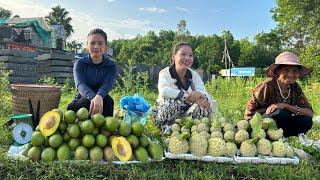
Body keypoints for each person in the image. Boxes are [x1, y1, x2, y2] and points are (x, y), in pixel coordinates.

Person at [245, 52, 313, 137]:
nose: (291, 74)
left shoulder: (295, 87)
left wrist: (286, 106)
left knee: (306, 121)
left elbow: (309, 112)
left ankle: (282, 137)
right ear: (277, 71)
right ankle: (268, 137)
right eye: (286, 70)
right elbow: (250, 113)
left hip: (280, 123)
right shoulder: (266, 86)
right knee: (282, 114)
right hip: (258, 123)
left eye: (295, 71)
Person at [155, 42, 217, 134]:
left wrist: (199, 94)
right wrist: (189, 97)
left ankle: (190, 130)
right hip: (167, 113)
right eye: (183, 54)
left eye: (190, 55)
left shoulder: (193, 75)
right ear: (174, 56)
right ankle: (167, 132)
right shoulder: (165, 73)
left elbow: (204, 93)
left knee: (208, 102)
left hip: (187, 113)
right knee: (171, 105)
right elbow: (164, 91)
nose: (187, 58)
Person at [67, 28, 117, 117]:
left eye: (100, 43)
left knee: (109, 102)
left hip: (103, 98)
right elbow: (80, 84)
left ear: (105, 46)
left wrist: (99, 96)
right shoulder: (80, 63)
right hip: (82, 97)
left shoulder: (111, 65)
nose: (96, 46)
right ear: (87, 45)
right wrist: (93, 98)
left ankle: (105, 130)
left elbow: (107, 84)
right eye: (92, 43)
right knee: (84, 102)